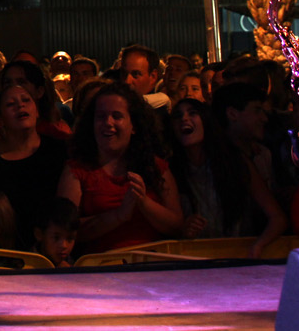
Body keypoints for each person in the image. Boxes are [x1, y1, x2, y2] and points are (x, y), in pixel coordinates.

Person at [57, 82, 183, 254]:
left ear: (134, 126)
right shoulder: (76, 170)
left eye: (117, 116)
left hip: (152, 267)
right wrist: (119, 215)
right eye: (101, 116)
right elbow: (65, 231)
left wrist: (144, 203)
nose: (108, 122)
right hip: (100, 269)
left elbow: (176, 226)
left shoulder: (155, 166)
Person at [166, 98, 286, 257]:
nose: (184, 119)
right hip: (195, 261)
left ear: (206, 121)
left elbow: (278, 218)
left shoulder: (234, 162)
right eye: (178, 116)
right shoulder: (171, 170)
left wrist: (258, 246)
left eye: (193, 113)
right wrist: (183, 230)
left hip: (237, 257)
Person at [0, 83, 68, 247]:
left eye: (26, 100)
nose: (20, 105)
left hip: (49, 249)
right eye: (11, 104)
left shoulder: (58, 150)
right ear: (0, 119)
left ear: (37, 110)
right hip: (5, 249)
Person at [33, 197, 80, 266]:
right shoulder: (23, 266)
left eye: (70, 239)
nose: (64, 246)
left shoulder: (73, 264)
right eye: (56, 238)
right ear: (39, 234)